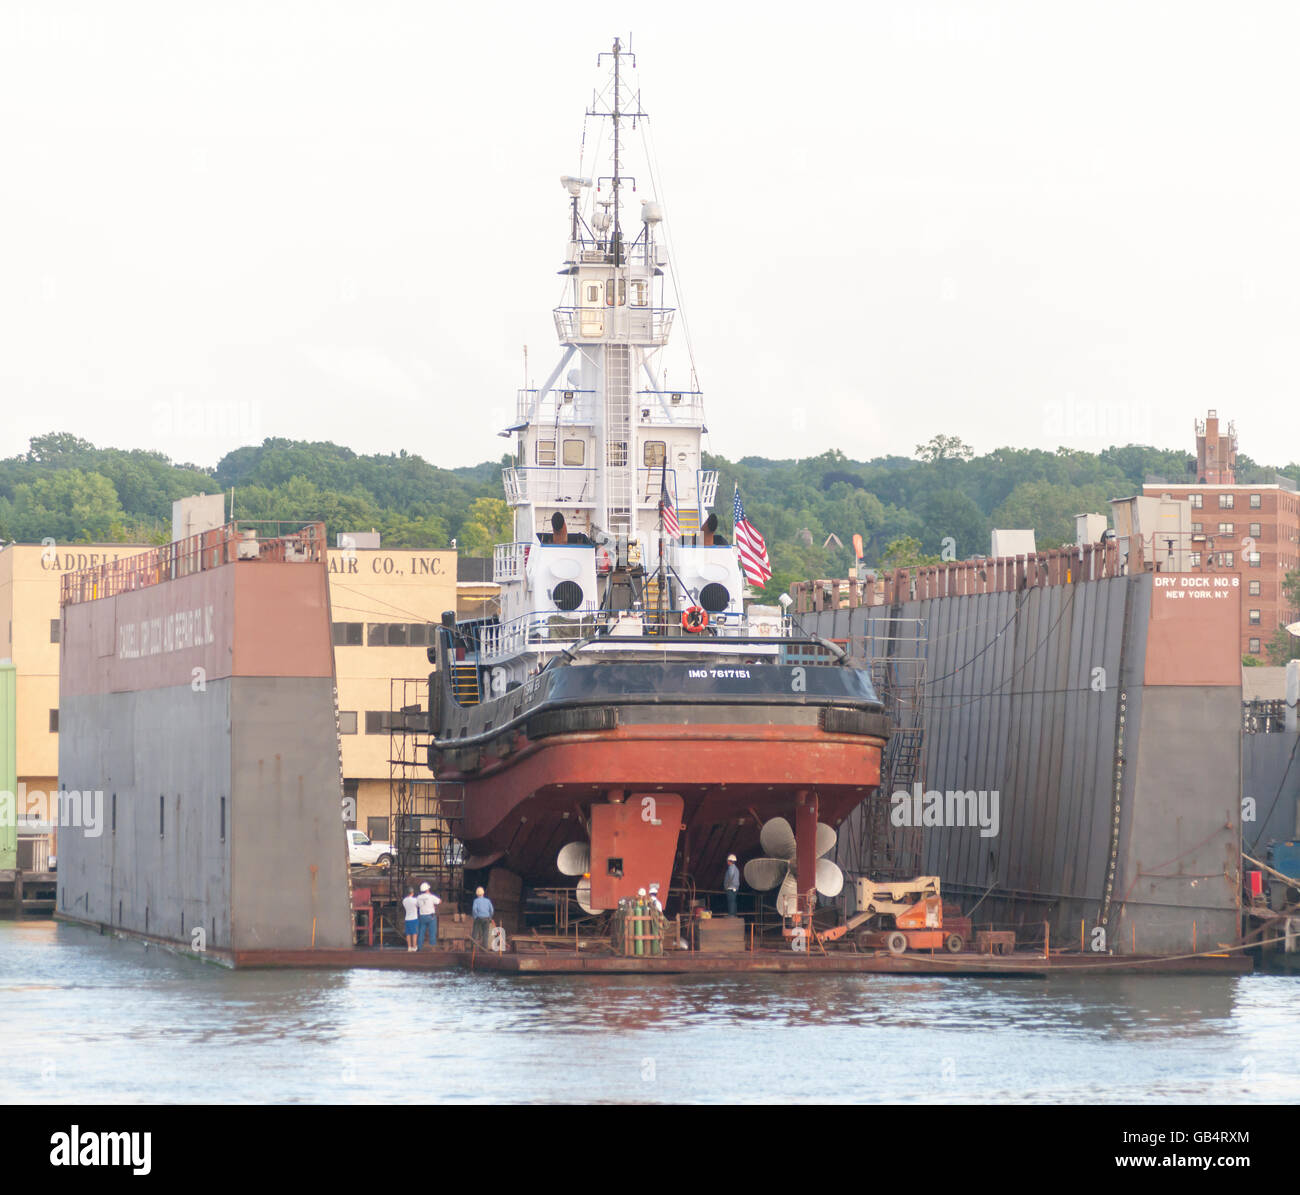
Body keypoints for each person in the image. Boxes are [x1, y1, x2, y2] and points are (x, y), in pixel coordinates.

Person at [416, 881, 441, 950]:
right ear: (427, 889)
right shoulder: (431, 897)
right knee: (432, 933)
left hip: (422, 917)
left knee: (421, 933)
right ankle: (433, 948)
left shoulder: (418, 897)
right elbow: (439, 901)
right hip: (431, 917)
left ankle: (419, 947)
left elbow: (417, 905)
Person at [401, 887, 419, 952]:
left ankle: (409, 947)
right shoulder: (415, 900)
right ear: (412, 893)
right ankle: (414, 947)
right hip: (414, 918)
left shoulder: (404, 900)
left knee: (408, 934)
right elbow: (418, 905)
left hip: (407, 918)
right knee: (414, 933)